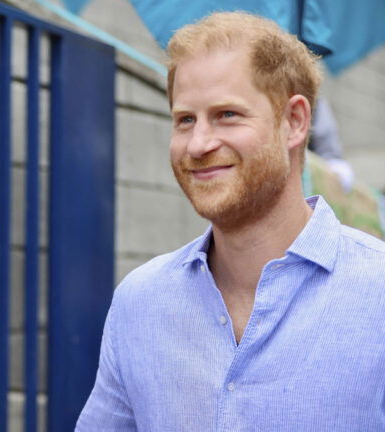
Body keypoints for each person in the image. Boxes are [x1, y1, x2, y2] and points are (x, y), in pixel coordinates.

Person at [77, 12, 385, 431]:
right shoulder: (139, 302)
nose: (199, 144)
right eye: (185, 119)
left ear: (294, 121)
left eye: (227, 115)